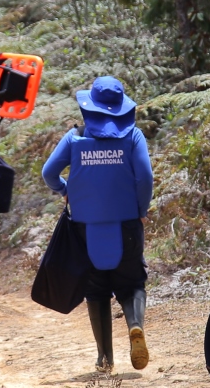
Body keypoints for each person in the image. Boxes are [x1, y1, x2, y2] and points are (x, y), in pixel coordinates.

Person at [41, 77, 154, 372]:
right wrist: (141, 209)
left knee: (96, 289)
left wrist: (65, 189)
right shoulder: (133, 138)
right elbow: (145, 177)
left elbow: (49, 173)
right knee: (132, 283)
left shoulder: (75, 137)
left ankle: (105, 358)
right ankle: (135, 326)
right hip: (127, 224)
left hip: (84, 228)